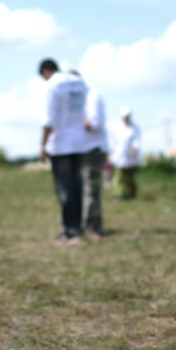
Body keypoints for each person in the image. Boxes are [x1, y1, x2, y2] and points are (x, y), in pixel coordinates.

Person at [38, 59, 91, 243]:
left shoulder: (53, 85)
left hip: (61, 145)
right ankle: (78, 227)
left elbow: (48, 120)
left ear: (46, 71)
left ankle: (70, 230)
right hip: (80, 143)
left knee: (65, 189)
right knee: (77, 187)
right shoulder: (80, 83)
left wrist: (43, 146)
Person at [79, 72, 108, 238]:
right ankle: (87, 224)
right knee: (86, 189)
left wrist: (74, 126)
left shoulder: (92, 97)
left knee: (91, 190)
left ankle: (93, 226)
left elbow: (95, 123)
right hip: (84, 149)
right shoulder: (83, 100)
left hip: (93, 149)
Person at [113, 108, 142, 200]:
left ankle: (131, 194)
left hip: (131, 157)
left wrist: (135, 149)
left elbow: (137, 141)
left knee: (130, 178)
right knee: (119, 177)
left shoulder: (135, 128)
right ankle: (120, 194)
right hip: (119, 157)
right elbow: (114, 143)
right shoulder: (118, 128)